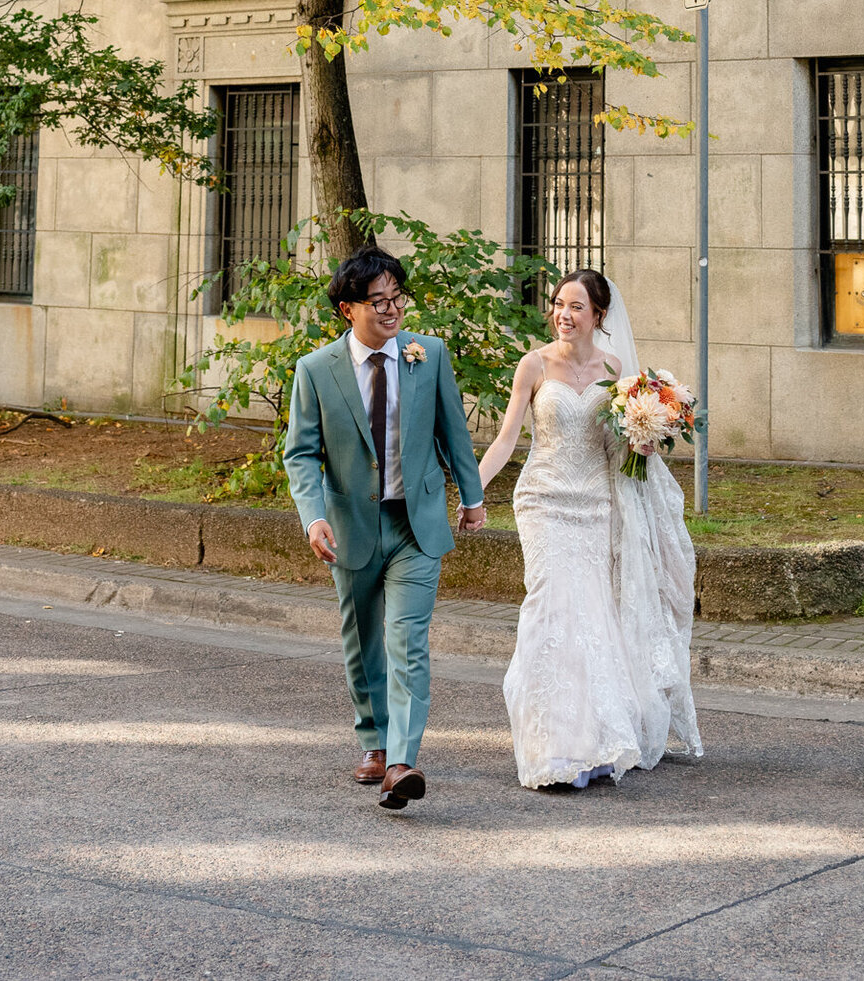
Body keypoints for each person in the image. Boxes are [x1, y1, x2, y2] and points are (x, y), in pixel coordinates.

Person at [474, 266, 702, 791]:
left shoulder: (617, 370)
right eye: (558, 303)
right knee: (550, 607)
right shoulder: (533, 365)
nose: (563, 314)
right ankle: (549, 745)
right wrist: (474, 488)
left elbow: (618, 449)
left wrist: (643, 443)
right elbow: (508, 439)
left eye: (577, 307)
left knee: (594, 615)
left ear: (599, 316)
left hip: (597, 503)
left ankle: (596, 741)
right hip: (544, 500)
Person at [283, 245, 487, 814]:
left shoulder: (430, 356)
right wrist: (314, 515)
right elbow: (300, 454)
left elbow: (453, 432)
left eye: (398, 298)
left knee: (407, 639)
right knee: (363, 639)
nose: (392, 310)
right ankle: (372, 740)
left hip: (416, 525)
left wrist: (472, 498)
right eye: (379, 301)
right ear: (348, 308)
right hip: (350, 525)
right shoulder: (317, 370)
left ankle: (401, 761)